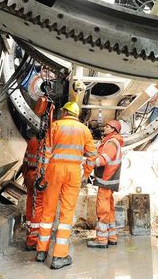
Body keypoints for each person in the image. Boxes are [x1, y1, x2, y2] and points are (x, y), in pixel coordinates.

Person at [35, 101, 96, 270]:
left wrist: (41, 174)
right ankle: (59, 256)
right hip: (73, 172)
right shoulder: (84, 130)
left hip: (54, 170)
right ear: (77, 115)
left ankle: (41, 251)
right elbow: (92, 155)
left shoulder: (55, 126)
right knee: (67, 213)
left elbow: (45, 151)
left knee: (47, 210)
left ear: (64, 112)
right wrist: (86, 173)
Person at [87, 120, 124, 248]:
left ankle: (101, 240)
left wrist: (89, 162)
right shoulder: (113, 141)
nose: (105, 128)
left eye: (108, 127)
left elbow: (103, 160)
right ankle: (112, 237)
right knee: (110, 209)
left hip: (106, 180)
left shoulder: (111, 142)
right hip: (109, 180)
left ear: (114, 130)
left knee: (102, 210)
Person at [22, 129, 44, 251]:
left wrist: (24, 176)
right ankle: (33, 240)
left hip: (30, 175)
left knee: (30, 205)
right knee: (39, 206)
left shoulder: (32, 141)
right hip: (39, 177)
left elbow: (25, 160)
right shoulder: (45, 143)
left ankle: (29, 236)